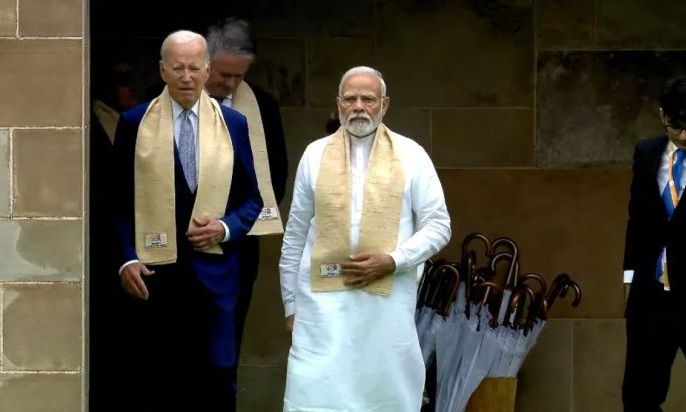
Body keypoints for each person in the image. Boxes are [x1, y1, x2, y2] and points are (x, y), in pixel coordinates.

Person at [278, 66, 452, 411]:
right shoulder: (315, 154)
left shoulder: (411, 155)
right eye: (350, 99)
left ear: (384, 105)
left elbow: (439, 226)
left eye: (368, 99)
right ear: (338, 105)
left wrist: (393, 261)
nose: (358, 106)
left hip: (385, 307)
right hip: (321, 308)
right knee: (314, 395)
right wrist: (291, 304)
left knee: (383, 396)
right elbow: (295, 233)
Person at [112, 30, 262, 411]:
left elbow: (252, 200)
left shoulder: (233, 124)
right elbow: (117, 200)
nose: (186, 77)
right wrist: (127, 258)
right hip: (156, 278)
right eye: (177, 68)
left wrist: (224, 228)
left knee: (218, 382)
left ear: (207, 70)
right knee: (158, 385)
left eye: (194, 68)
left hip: (216, 279)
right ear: (162, 70)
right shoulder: (134, 123)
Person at [204, 18, 289, 369]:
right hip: (178, 244)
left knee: (227, 347)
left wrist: (229, 225)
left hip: (237, 245)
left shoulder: (262, 106)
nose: (230, 85)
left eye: (239, 76)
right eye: (224, 74)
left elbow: (276, 177)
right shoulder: (159, 101)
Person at [621, 75, 686, 412]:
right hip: (651, 295)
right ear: (662, 116)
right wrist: (629, 279)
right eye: (675, 126)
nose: (684, 135)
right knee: (639, 396)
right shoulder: (647, 153)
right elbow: (637, 222)